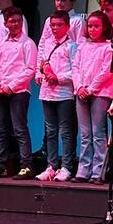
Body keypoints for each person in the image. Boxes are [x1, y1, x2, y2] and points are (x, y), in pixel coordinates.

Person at [0, 6, 37, 179]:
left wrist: (11, 86)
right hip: (1, 90)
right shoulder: (1, 43)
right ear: (5, 23)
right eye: (12, 21)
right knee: (1, 129)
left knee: (19, 129)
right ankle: (1, 165)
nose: (15, 24)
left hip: (19, 91)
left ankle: (26, 166)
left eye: (18, 21)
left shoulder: (28, 43)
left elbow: (29, 70)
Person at [35, 10, 78, 182]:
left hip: (64, 93)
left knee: (66, 132)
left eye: (59, 25)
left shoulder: (72, 46)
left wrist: (58, 78)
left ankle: (67, 166)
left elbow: (76, 71)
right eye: (53, 25)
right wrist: (44, 71)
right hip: (47, 92)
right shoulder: (46, 43)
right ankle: (51, 166)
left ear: (67, 26)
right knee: (50, 131)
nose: (55, 28)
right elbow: (42, 62)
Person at [74, 11, 113, 182]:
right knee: (85, 134)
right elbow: (75, 67)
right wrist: (79, 87)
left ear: (105, 27)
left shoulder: (109, 47)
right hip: (81, 92)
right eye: (90, 26)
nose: (92, 29)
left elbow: (106, 71)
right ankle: (83, 170)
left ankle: (99, 171)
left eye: (96, 26)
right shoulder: (83, 46)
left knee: (98, 133)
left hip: (99, 93)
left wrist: (90, 89)